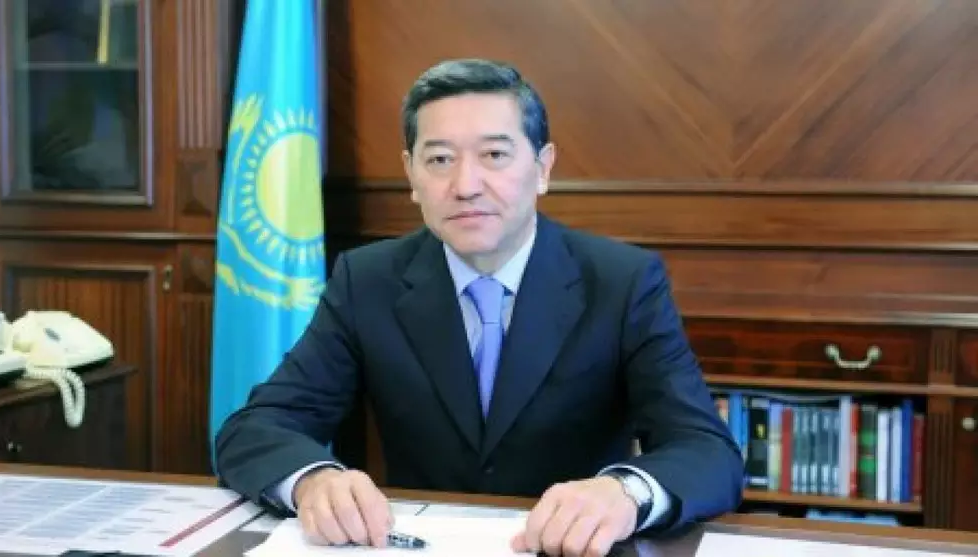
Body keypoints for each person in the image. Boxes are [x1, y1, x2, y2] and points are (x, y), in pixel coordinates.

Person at [214, 58, 743, 557]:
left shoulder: (621, 282)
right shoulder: (367, 280)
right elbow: (255, 428)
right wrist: (312, 480)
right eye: (440, 160)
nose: (465, 186)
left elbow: (708, 451)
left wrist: (625, 493)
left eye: (494, 155)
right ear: (412, 175)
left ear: (543, 168)